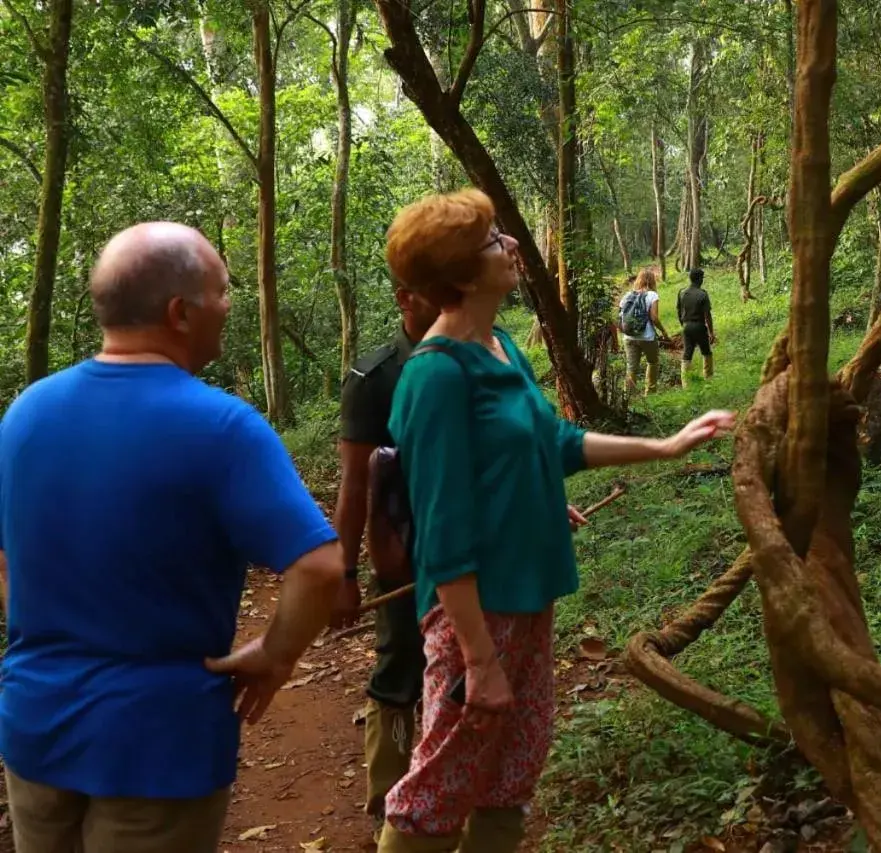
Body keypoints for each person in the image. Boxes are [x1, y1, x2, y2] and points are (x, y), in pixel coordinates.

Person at [376, 189, 734, 853]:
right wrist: (478, 658)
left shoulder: (501, 346)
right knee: (441, 777)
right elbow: (444, 529)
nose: (510, 245)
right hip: (475, 616)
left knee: (511, 768)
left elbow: (555, 445)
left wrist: (666, 445)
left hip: (529, 594)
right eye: (491, 242)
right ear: (458, 274)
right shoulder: (436, 377)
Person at [0, 222, 343, 853]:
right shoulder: (221, 426)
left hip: (35, 731)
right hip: (159, 745)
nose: (229, 304)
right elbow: (320, 566)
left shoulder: (25, 413)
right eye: (223, 290)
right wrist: (274, 655)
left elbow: (6, 562)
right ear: (180, 312)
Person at [332, 277, 439, 823]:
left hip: (479, 552)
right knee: (400, 669)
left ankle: (450, 796)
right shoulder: (373, 378)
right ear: (406, 295)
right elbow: (354, 485)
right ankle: (389, 800)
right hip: (404, 557)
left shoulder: (483, 358)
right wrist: (344, 572)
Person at [617, 266, 670, 395]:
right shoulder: (652, 295)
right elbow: (654, 318)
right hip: (647, 337)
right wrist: (663, 332)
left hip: (629, 337)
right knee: (652, 362)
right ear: (652, 281)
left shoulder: (628, 295)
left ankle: (629, 396)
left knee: (631, 368)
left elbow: (620, 315)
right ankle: (650, 392)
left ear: (638, 280)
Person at [676, 267, 716, 388]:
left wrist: (683, 324)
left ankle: (686, 384)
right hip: (699, 326)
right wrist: (711, 332)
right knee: (706, 352)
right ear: (699, 279)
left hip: (686, 326)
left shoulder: (681, 292)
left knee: (687, 353)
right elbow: (707, 315)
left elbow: (678, 310)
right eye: (702, 278)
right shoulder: (702, 294)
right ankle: (708, 379)